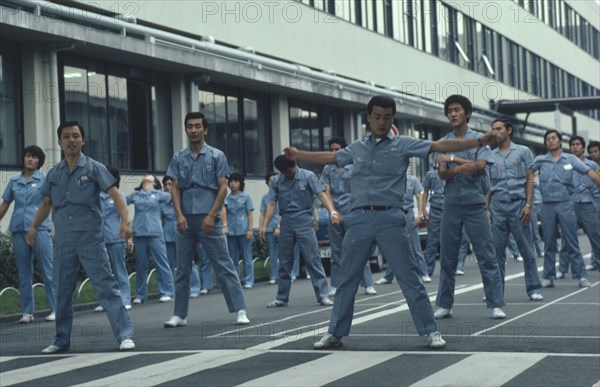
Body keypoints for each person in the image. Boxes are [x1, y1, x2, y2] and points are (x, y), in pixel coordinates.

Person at [285, 95, 498, 350]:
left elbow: (439, 148)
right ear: (368, 118)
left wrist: (478, 141)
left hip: (391, 219)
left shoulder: (403, 144)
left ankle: (430, 331)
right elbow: (330, 158)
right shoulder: (356, 148)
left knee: (409, 278)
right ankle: (335, 333)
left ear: (392, 118)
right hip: (359, 219)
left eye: (387, 117)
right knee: (346, 280)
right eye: (377, 117)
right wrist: (299, 153)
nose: (382, 122)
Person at [25, 121, 135, 353]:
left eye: (76, 136)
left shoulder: (94, 168)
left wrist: (125, 222)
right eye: (66, 136)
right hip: (63, 240)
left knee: (106, 287)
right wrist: (34, 227)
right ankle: (60, 339)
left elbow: (115, 195)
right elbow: (46, 202)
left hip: (90, 239)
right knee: (62, 290)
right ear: (59, 142)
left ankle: (124, 335)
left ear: (83, 140)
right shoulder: (54, 173)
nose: (71, 140)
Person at [163, 112, 250, 328]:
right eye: (190, 126)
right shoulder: (178, 157)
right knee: (182, 268)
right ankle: (179, 315)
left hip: (208, 215)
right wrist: (179, 215)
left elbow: (223, 187)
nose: (193, 130)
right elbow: (174, 187)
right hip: (185, 218)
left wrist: (212, 215)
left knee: (223, 264)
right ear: (186, 130)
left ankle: (240, 310)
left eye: (197, 126)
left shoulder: (216, 155)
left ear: (205, 130)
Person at [434, 94, 506, 320]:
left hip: (475, 204)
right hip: (451, 205)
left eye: (456, 110)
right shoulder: (443, 141)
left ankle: (496, 303)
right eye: (449, 111)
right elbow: (442, 173)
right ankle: (445, 304)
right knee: (447, 256)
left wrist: (453, 159)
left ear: (467, 113)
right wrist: (458, 165)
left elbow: (480, 167)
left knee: (486, 254)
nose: (452, 114)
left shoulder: (480, 140)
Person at [260, 155, 338, 308]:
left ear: (295, 164)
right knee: (284, 261)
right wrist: (264, 225)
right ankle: (282, 297)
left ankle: (322, 295)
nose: (287, 174)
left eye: (289, 171)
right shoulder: (277, 180)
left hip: (304, 221)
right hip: (286, 222)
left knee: (313, 259)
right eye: (284, 172)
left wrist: (332, 212)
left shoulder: (308, 176)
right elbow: (271, 203)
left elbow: (321, 194)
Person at [485, 118, 543, 301]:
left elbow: (530, 179)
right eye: (493, 129)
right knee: (496, 252)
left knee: (526, 248)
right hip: (497, 206)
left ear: (509, 130)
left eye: (499, 128)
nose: (495, 132)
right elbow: (487, 186)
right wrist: (486, 209)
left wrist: (528, 204)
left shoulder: (523, 151)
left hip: (519, 206)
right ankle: (495, 292)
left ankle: (533, 288)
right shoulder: (489, 156)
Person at [534, 130, 600, 288]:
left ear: (560, 142)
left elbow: (588, 172)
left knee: (571, 241)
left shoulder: (569, 159)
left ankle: (581, 276)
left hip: (566, 204)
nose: (550, 141)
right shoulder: (540, 160)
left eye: (553, 138)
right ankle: (548, 277)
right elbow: (526, 173)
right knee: (549, 242)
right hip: (547, 205)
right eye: (547, 139)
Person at [0, 145, 56, 323]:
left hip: (39, 229)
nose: (30, 159)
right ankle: (27, 312)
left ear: (39, 161)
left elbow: (50, 202)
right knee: (24, 272)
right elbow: (5, 203)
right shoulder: (14, 181)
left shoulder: (44, 180)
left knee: (48, 270)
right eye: (27, 156)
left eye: (34, 157)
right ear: (23, 159)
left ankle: (56, 309)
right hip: (18, 230)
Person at [321, 137, 376, 297]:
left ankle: (367, 284)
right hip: (335, 213)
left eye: (337, 149)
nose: (333, 152)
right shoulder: (327, 169)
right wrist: (332, 211)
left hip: (353, 212)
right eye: (331, 149)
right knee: (336, 250)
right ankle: (336, 284)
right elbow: (326, 191)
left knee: (359, 248)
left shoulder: (354, 166)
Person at [127, 175, 175, 304]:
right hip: (139, 233)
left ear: (154, 183)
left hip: (155, 233)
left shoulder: (159, 194)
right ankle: (141, 294)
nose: (145, 181)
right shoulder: (136, 195)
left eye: (148, 180)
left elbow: (175, 197)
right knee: (141, 265)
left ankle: (168, 292)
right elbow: (122, 201)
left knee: (162, 263)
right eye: (144, 180)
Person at [375, 173, 430, 284]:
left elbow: (419, 196)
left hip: (408, 214)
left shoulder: (413, 179)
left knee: (415, 246)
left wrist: (419, 215)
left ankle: (424, 273)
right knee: (393, 246)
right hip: (395, 213)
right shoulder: (392, 179)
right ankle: (388, 276)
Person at [560, 136, 599, 272]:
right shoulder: (565, 163)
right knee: (566, 237)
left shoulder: (592, 165)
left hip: (588, 203)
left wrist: (596, 205)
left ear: (583, 147)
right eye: (572, 145)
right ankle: (563, 269)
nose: (575, 147)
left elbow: (596, 187)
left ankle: (598, 262)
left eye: (577, 144)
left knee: (594, 236)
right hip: (570, 204)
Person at [96, 166, 132, 312]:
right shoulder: (96, 196)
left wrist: (128, 236)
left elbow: (125, 217)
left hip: (115, 238)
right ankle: (105, 301)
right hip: (99, 239)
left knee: (119, 270)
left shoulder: (119, 196)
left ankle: (125, 299)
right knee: (102, 273)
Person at [162, 175, 201, 297]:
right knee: (169, 264)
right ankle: (171, 291)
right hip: (168, 236)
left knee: (189, 263)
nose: (168, 187)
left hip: (184, 234)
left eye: (170, 184)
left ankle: (194, 288)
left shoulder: (183, 200)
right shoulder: (163, 203)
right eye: (166, 185)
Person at [222, 172, 255, 288]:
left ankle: (249, 280)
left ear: (240, 183)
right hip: (231, 231)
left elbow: (250, 214)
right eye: (231, 181)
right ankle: (235, 281)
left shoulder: (246, 197)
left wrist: (250, 230)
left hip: (244, 230)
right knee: (232, 257)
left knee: (247, 257)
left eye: (235, 181)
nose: (232, 184)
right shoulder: (226, 198)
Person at [421, 165, 445, 277]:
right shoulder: (430, 174)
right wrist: (423, 209)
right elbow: (425, 191)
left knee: (447, 242)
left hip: (448, 210)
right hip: (435, 210)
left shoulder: (451, 172)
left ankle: (447, 268)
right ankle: (428, 270)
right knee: (432, 242)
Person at [259, 172, 281, 284]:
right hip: (268, 228)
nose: (272, 182)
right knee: (272, 253)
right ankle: (273, 275)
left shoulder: (282, 195)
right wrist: (261, 227)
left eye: (274, 180)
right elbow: (262, 213)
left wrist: (279, 227)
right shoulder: (265, 198)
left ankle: (284, 275)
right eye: (270, 180)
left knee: (283, 253)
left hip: (281, 228)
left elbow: (283, 213)